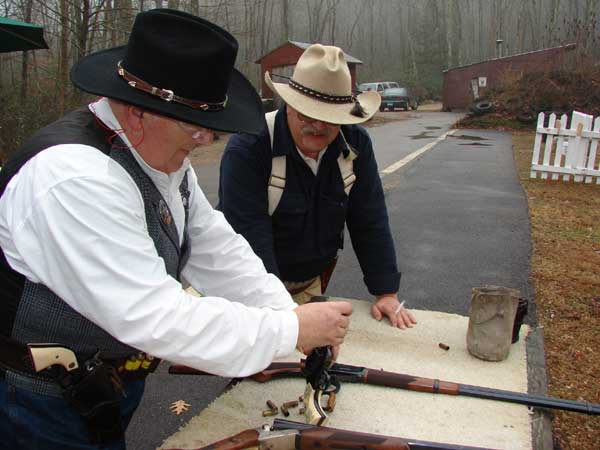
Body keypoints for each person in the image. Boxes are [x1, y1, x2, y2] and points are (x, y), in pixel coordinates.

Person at [0, 10, 352, 450]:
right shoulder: (75, 179)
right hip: (35, 404)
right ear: (136, 112)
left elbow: (218, 251)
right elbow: (156, 315)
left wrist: (287, 315)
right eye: (195, 126)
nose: (205, 141)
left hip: (97, 387)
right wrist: (289, 331)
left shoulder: (162, 161)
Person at [218, 44, 417, 330]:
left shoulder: (355, 144)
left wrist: (385, 291)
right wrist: (283, 318)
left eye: (330, 119)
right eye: (307, 114)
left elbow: (369, 218)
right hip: (248, 288)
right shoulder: (250, 147)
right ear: (289, 106)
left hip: (308, 286)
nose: (317, 126)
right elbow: (249, 236)